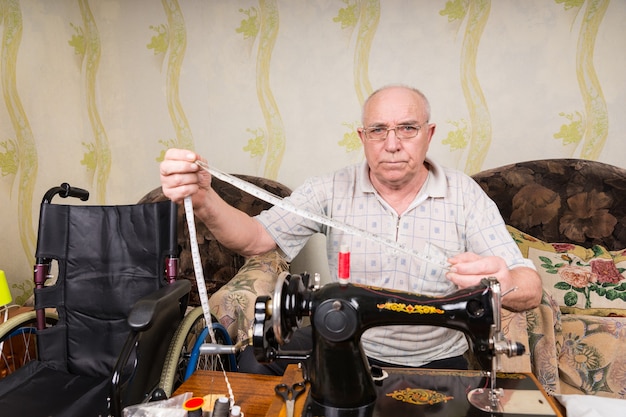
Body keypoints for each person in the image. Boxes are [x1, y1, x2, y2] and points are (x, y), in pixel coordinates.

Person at [159, 85, 542, 374]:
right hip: (342, 342)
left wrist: (503, 281)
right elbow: (255, 239)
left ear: (430, 134)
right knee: (254, 363)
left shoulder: (464, 196)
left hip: (435, 358)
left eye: (407, 129)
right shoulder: (329, 189)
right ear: (363, 138)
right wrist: (204, 200)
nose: (392, 144)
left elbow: (530, 287)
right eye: (378, 130)